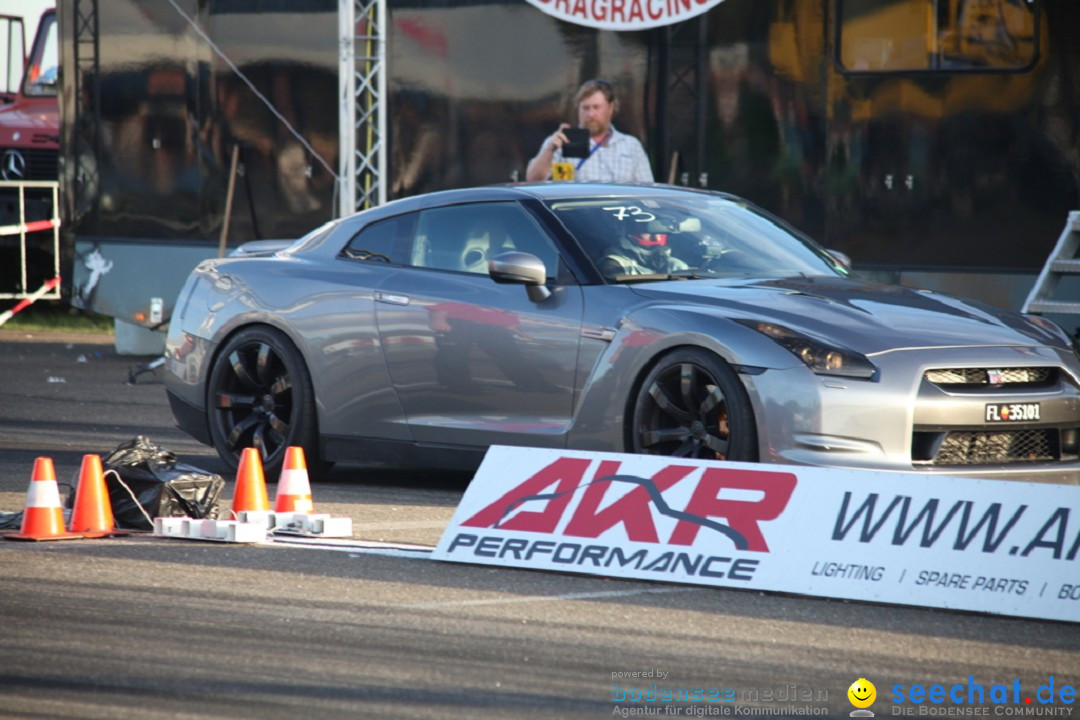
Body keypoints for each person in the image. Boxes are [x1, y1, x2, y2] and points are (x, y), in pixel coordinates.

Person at [526, 79, 654, 183]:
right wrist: (550, 149)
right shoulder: (561, 142)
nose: (590, 114)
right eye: (585, 108)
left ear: (611, 107)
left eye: (596, 107)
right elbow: (532, 180)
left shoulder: (631, 145)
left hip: (620, 212)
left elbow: (647, 191)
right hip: (576, 213)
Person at [597, 231, 689, 278]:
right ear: (629, 231)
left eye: (660, 232)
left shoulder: (675, 263)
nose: (656, 238)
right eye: (648, 232)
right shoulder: (614, 262)